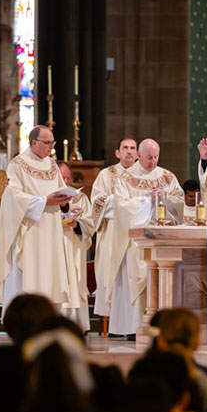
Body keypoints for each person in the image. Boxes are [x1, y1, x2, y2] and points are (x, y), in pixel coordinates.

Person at [0, 125, 76, 317]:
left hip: (51, 230)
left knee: (50, 274)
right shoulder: (17, 165)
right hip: (29, 231)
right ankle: (23, 318)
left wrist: (65, 200)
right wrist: (44, 201)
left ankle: (48, 317)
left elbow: (61, 189)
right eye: (47, 143)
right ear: (34, 142)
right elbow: (13, 197)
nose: (51, 147)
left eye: (52, 142)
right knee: (28, 274)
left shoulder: (53, 165)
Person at [108, 138, 184, 336]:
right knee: (136, 278)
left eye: (156, 157)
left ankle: (159, 325)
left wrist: (165, 200)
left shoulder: (167, 176)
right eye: (149, 157)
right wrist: (146, 200)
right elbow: (121, 206)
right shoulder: (125, 177)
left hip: (161, 239)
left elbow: (180, 201)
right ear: (139, 156)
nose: (153, 161)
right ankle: (133, 328)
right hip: (135, 241)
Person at [91, 137, 138, 319]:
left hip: (134, 235)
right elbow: (96, 201)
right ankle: (111, 321)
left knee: (131, 277)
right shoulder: (106, 174)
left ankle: (133, 322)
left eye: (132, 148)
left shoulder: (142, 175)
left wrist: (125, 205)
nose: (129, 151)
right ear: (117, 153)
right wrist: (124, 204)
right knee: (112, 275)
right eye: (125, 148)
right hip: (111, 233)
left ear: (138, 153)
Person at [58, 162, 96, 332]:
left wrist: (77, 224)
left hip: (74, 245)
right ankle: (57, 321)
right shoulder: (47, 197)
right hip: (56, 246)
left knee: (76, 281)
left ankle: (78, 324)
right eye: (62, 177)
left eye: (68, 177)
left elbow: (90, 221)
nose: (65, 181)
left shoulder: (80, 198)